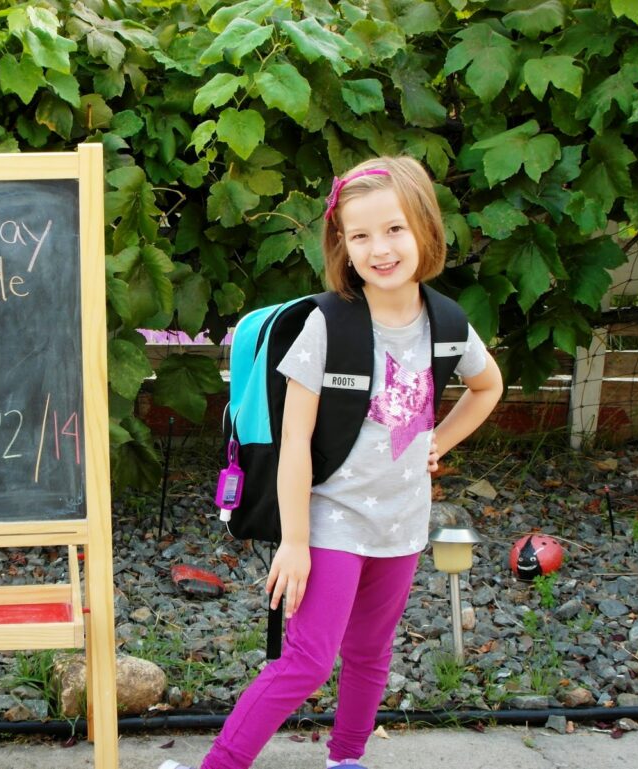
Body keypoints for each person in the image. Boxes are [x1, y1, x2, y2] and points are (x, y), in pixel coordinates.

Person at [159, 156, 503, 769]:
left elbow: (488, 387)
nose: (380, 249)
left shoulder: (448, 323)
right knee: (308, 661)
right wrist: (295, 542)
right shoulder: (327, 325)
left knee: (371, 653)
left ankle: (346, 759)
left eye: (394, 229)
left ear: (426, 228)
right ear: (342, 243)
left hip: (402, 524)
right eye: (360, 235)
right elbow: (294, 441)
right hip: (330, 523)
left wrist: (439, 442)